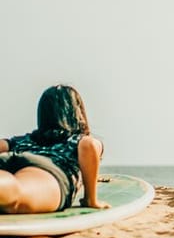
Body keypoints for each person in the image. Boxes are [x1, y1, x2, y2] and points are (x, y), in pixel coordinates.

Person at [0, 85, 109, 214]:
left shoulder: (24, 139)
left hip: (14, 154)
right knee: (15, 194)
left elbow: (3, 145)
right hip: (46, 168)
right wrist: (91, 199)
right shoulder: (77, 140)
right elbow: (89, 145)